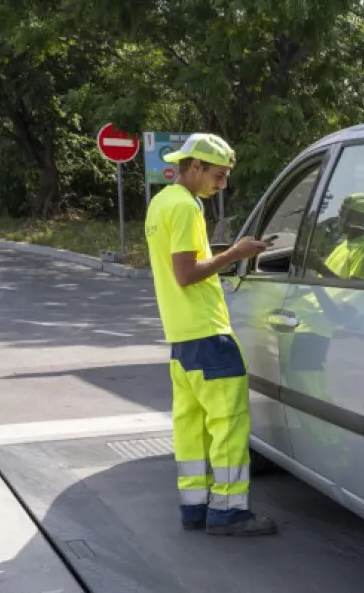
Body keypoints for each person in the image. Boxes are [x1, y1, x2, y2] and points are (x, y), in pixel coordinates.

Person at [145, 133, 276, 537]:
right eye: (218, 176)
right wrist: (234, 255)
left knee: (191, 428)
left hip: (182, 339)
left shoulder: (160, 203)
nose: (221, 186)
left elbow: (177, 266)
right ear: (196, 166)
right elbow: (186, 273)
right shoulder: (186, 208)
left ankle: (195, 508)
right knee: (229, 425)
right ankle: (230, 511)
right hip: (208, 334)